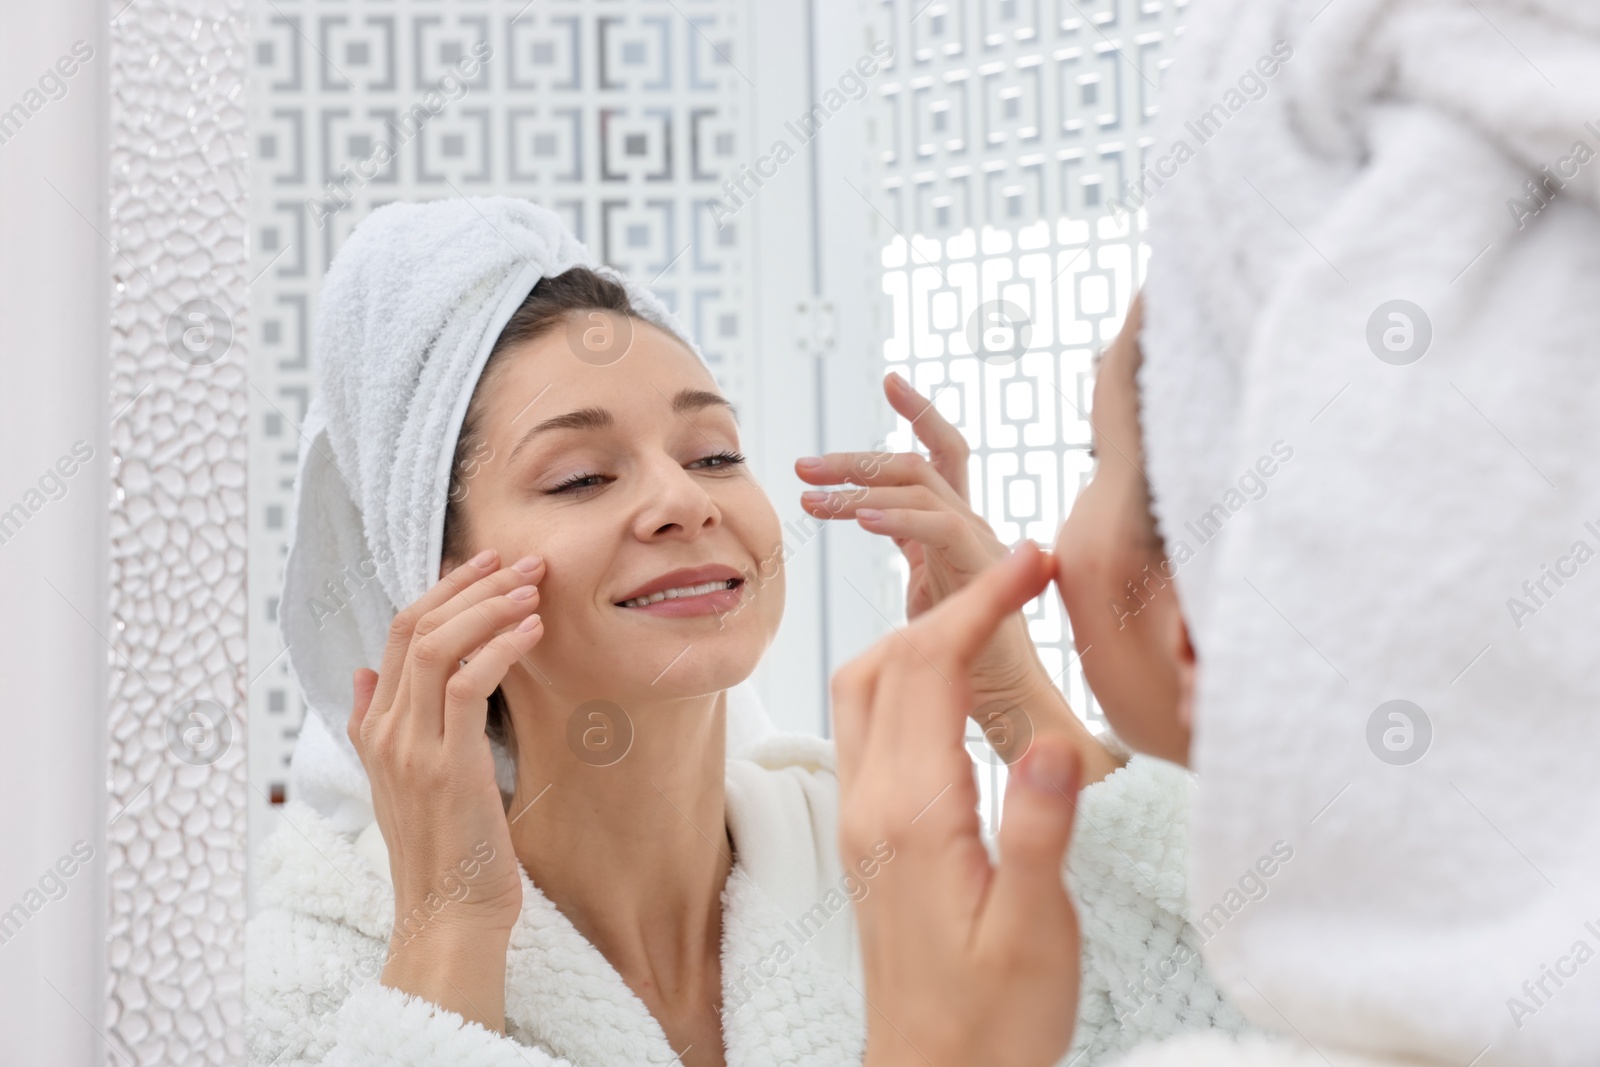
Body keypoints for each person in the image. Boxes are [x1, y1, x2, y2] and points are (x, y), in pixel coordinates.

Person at [245, 198, 1246, 1066]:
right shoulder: (328, 957)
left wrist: (1014, 698)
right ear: (436, 581)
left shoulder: (866, 857)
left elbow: (1227, 1021)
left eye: (715, 452)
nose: (682, 499)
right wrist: (450, 928)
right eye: (583, 475)